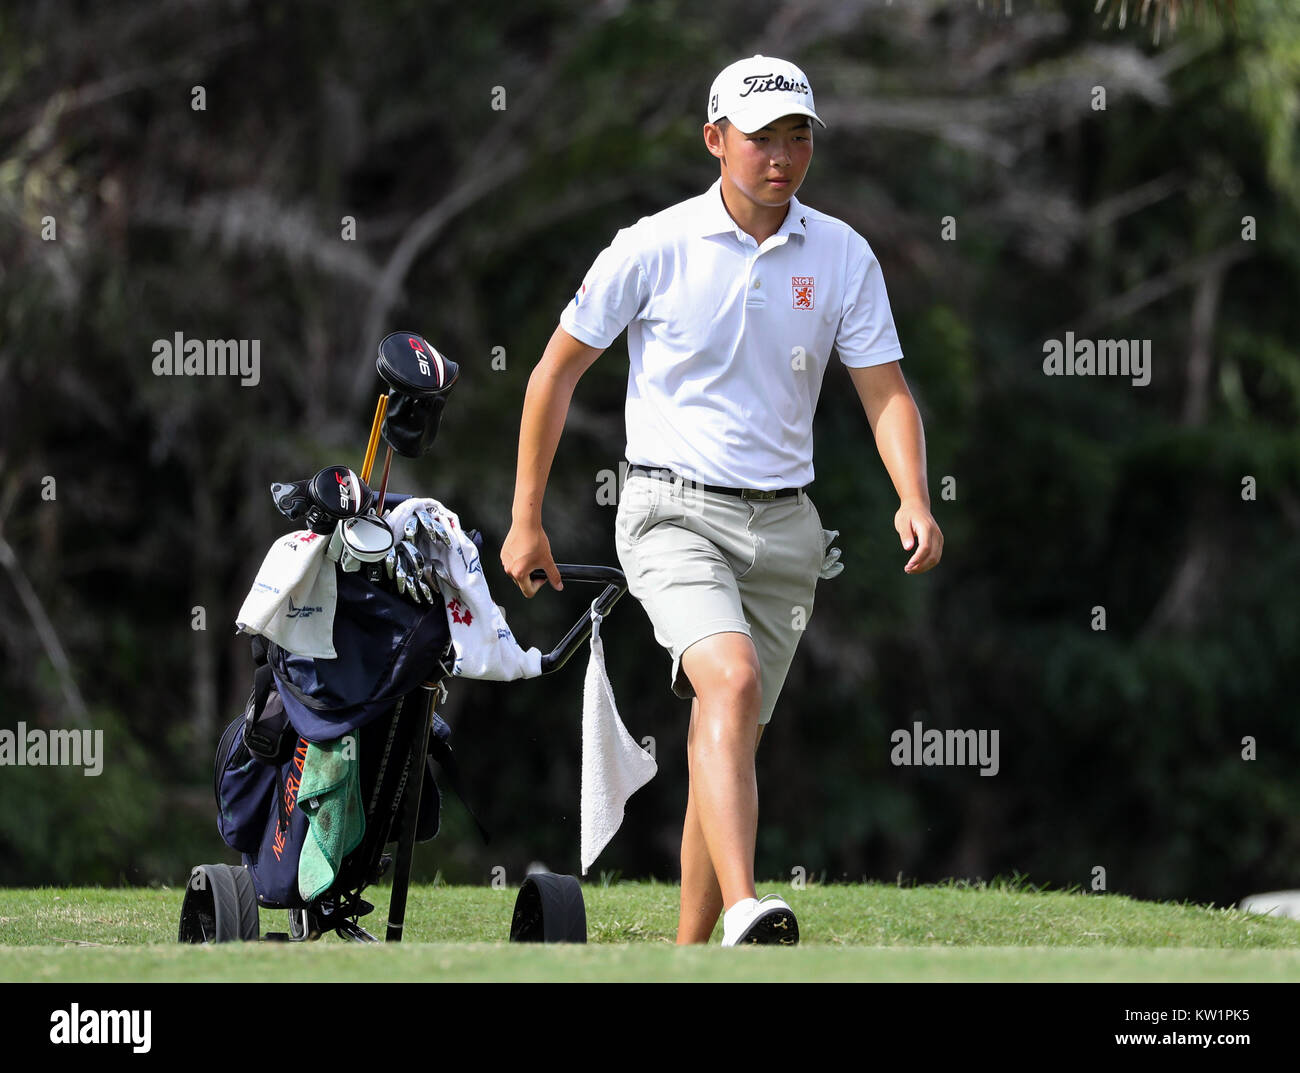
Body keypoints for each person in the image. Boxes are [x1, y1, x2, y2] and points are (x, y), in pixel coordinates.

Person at [500, 55, 942, 945]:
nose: (782, 155)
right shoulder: (653, 244)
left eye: (797, 136)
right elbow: (552, 373)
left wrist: (914, 497)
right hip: (670, 511)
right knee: (729, 683)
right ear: (715, 140)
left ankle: (692, 956)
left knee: (727, 727)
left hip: (787, 529)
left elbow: (884, 389)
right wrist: (525, 515)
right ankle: (747, 904)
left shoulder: (842, 254)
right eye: (761, 137)